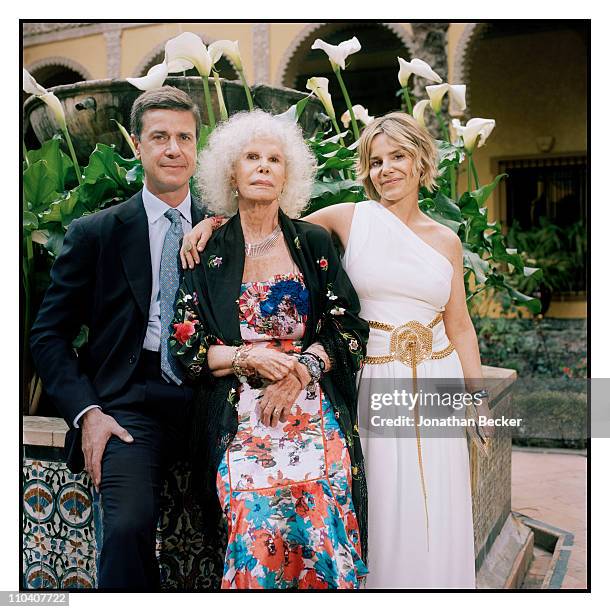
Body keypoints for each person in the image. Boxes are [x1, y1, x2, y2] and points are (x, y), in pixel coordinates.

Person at [181, 111, 494, 589]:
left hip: (437, 379)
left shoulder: (446, 240)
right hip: (373, 375)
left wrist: (476, 399)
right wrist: (214, 222)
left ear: (421, 162)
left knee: (440, 503)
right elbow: (270, 224)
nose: (386, 169)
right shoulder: (348, 219)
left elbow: (461, 327)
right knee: (382, 502)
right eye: (375, 161)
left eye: (398, 157)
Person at [169, 110, 369, 589]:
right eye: (251, 157)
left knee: (323, 528)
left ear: (288, 174)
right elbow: (188, 345)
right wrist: (246, 357)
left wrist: (298, 371)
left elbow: (348, 329)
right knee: (253, 529)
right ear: (231, 174)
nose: (263, 166)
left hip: (313, 410)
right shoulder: (208, 248)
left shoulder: (312, 242)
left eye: (274, 159)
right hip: (240, 417)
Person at [30, 86, 205, 590]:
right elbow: (48, 335)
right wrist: (88, 412)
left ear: (196, 147)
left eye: (185, 137)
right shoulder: (96, 232)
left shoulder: (225, 226)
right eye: (160, 137)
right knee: (126, 527)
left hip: (214, 396)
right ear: (135, 144)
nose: (174, 148)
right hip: (129, 403)